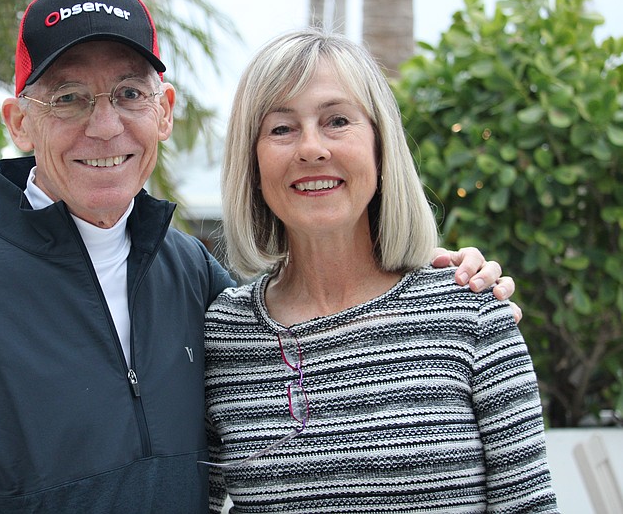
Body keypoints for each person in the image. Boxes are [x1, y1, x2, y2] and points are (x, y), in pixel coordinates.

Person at [0, 0, 515, 512]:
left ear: (163, 111)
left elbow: (318, 326)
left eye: (128, 93)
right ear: (19, 122)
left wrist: (436, 277)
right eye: (69, 98)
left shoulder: (196, 279)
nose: (105, 126)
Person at [204, 29, 559, 513]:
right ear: (252, 162)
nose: (311, 148)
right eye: (281, 128)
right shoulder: (224, 333)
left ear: (380, 146)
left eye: (337, 121)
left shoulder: (470, 308)